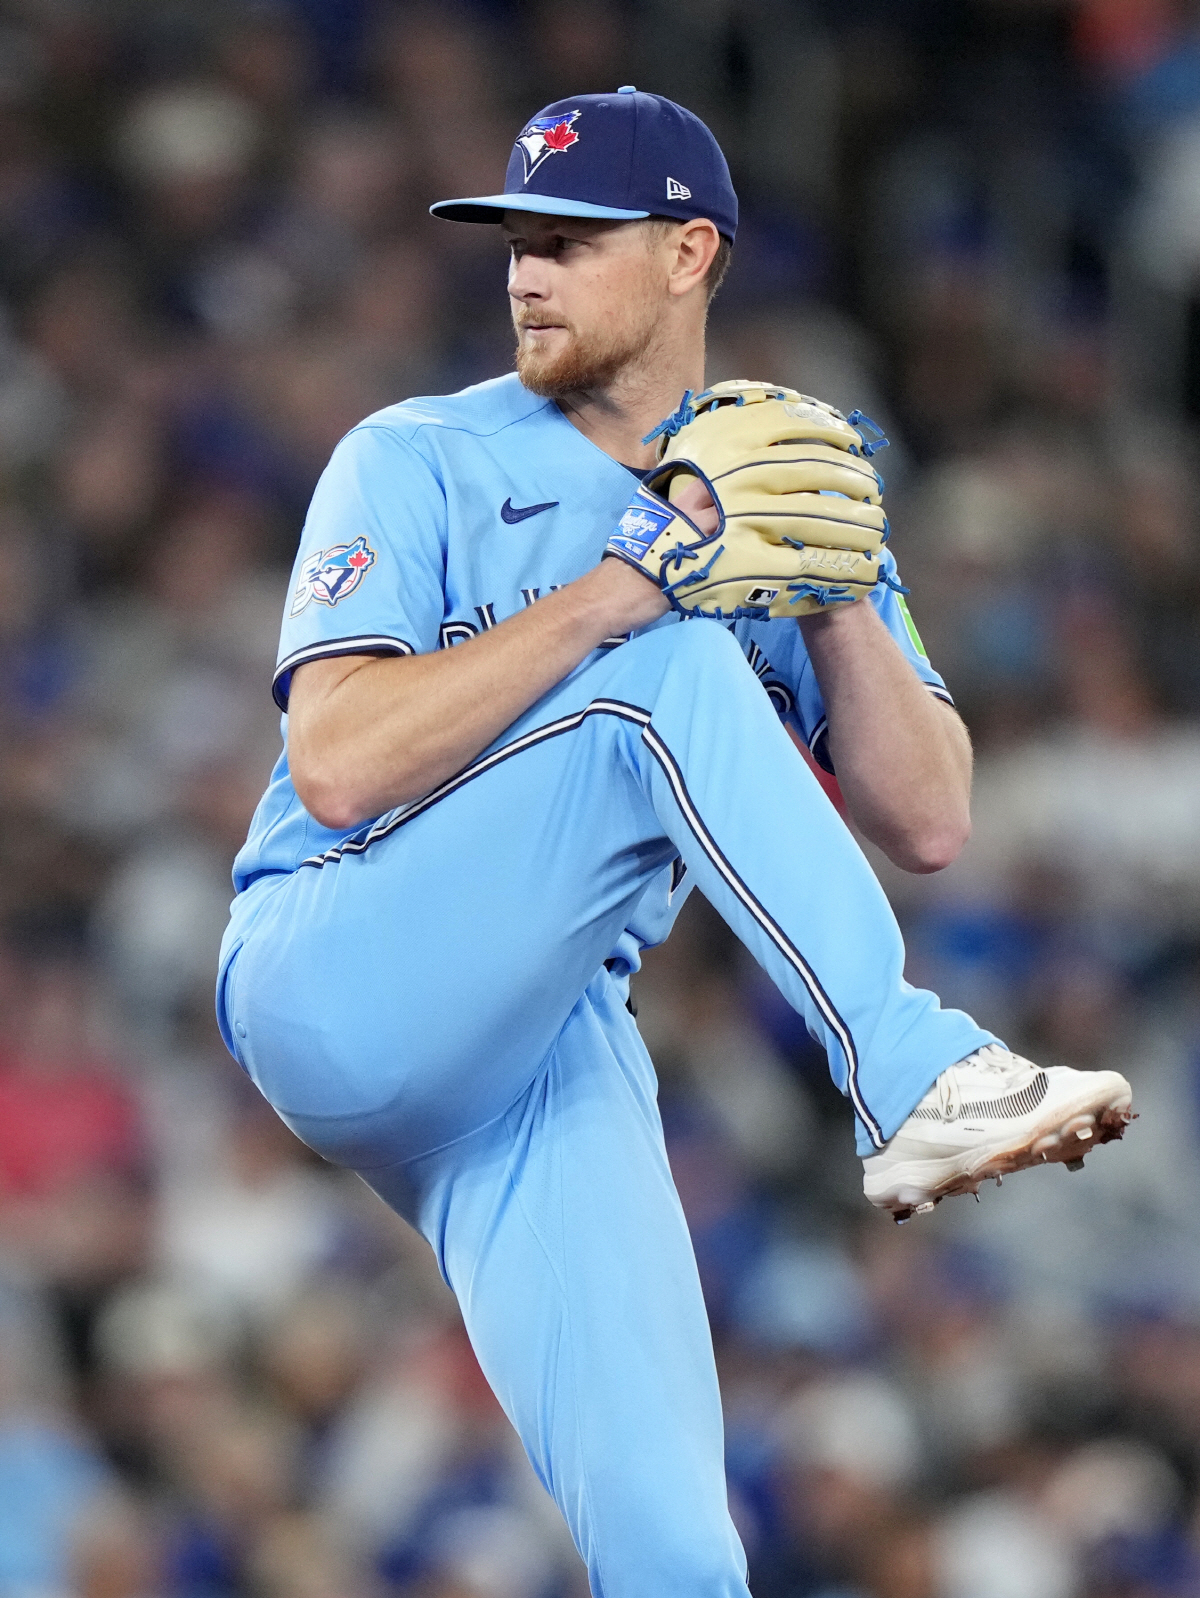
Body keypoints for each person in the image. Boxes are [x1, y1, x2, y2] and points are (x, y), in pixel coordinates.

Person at [216, 89, 1131, 1598]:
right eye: (518, 239)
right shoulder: (418, 454)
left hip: (545, 1044)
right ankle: (905, 1069)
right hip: (336, 954)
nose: (527, 271)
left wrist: (836, 592)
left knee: (677, 1552)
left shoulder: (765, 482)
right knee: (669, 668)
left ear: (691, 251)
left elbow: (932, 815)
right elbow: (335, 763)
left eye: (572, 241)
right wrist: (621, 592)